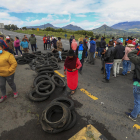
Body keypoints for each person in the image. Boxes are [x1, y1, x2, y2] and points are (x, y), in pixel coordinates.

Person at [125, 47, 140, 121]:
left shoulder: (139, 60)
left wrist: (137, 49)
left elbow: (130, 54)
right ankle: (137, 111)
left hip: (138, 82)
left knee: (137, 100)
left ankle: (134, 115)